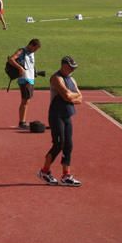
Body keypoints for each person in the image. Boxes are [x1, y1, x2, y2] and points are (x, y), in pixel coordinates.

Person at [38, 56, 83, 187]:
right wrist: (72, 96)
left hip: (67, 114)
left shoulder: (72, 79)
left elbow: (80, 98)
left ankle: (66, 175)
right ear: (63, 65)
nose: (72, 70)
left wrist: (72, 97)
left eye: (74, 68)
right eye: (70, 67)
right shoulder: (56, 78)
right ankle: (44, 171)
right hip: (56, 115)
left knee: (68, 145)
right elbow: (67, 95)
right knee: (59, 144)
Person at [7, 39, 42, 129]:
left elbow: (30, 64)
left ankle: (23, 121)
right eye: (35, 48)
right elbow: (11, 59)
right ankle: (22, 122)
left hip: (31, 78)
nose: (35, 51)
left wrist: (34, 71)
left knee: (27, 100)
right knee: (25, 100)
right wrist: (20, 68)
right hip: (24, 79)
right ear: (31, 45)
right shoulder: (21, 51)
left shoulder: (32, 53)